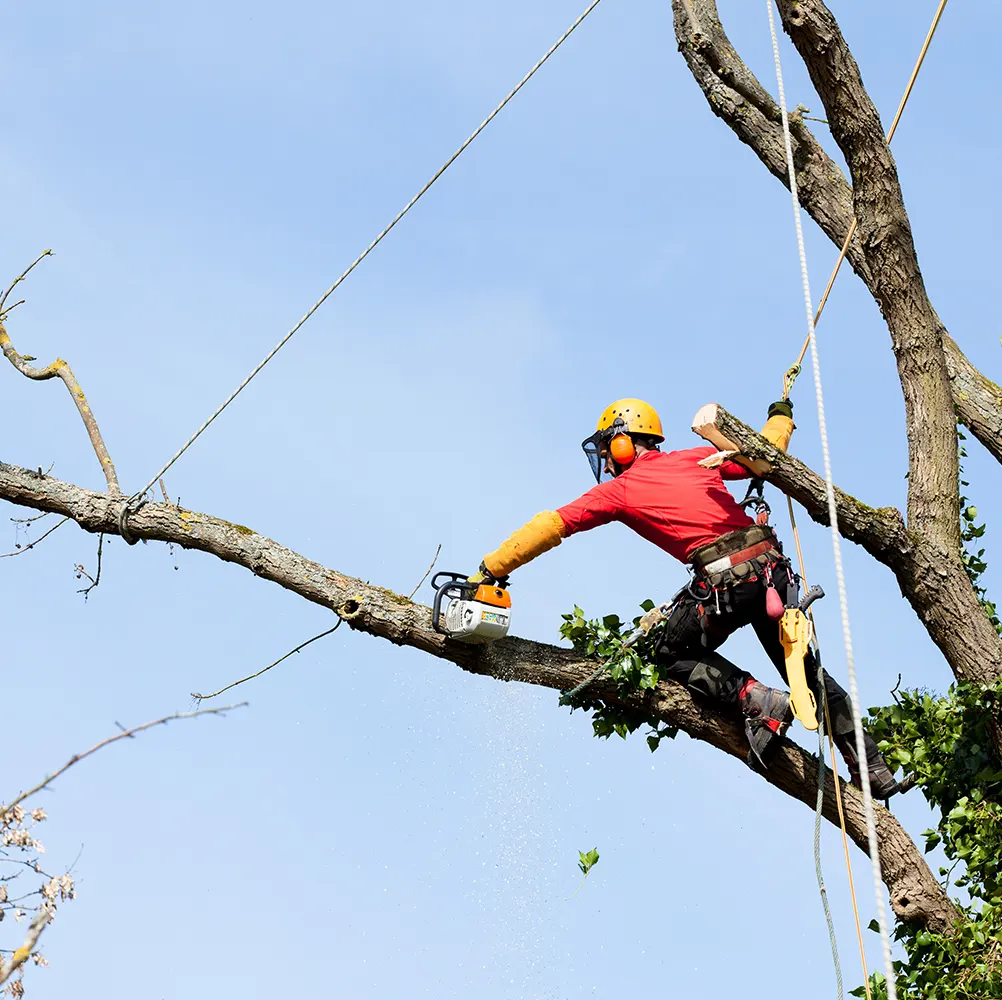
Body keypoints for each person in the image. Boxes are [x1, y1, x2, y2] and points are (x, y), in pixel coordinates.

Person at [470, 397, 900, 797]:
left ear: (623, 441)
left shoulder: (618, 490)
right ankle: (872, 767)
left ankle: (754, 697)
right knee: (805, 675)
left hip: (727, 584)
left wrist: (492, 568)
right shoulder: (698, 457)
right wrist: (781, 414)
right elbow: (766, 454)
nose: (604, 459)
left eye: (606, 448)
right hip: (770, 574)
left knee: (665, 651)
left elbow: (553, 525)